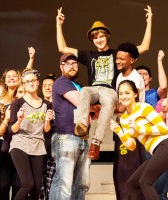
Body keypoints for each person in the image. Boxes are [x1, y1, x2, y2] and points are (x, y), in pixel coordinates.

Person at [56, 5, 152, 160]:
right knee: (85, 91)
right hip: (94, 89)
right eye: (95, 37)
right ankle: (81, 126)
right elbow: (62, 48)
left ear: (107, 36)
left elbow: (144, 47)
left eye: (101, 36)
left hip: (109, 90)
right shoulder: (88, 54)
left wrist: (149, 22)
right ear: (92, 40)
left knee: (108, 100)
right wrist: (59, 25)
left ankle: (96, 142)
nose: (99, 39)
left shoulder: (116, 54)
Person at [110, 80, 168, 200]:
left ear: (135, 94)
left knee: (145, 182)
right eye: (121, 94)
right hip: (156, 150)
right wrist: (119, 132)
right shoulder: (124, 119)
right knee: (132, 184)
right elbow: (131, 145)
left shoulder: (144, 108)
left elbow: (163, 129)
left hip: (167, 145)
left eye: (127, 93)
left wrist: (140, 128)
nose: (123, 96)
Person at [0, 46, 36, 200]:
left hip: (20, 142)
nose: (11, 78)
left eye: (14, 76)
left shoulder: (22, 94)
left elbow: (27, 74)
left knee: (18, 184)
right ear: (5, 80)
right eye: (8, 76)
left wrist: (31, 59)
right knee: (2, 184)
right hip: (3, 142)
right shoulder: (1, 92)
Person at [49, 53, 91, 200]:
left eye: (74, 63)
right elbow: (82, 102)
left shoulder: (79, 86)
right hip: (66, 137)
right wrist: (94, 106)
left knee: (82, 184)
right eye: (67, 64)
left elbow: (90, 109)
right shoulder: (61, 82)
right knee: (64, 183)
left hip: (83, 138)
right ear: (61, 67)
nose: (72, 66)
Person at [9, 69, 53, 200]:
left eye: (33, 80)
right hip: (20, 144)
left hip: (38, 145)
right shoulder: (17, 103)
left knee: (36, 188)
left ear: (38, 82)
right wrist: (19, 120)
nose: (31, 83)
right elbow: (12, 129)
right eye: (27, 81)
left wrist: (47, 121)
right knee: (27, 184)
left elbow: (46, 130)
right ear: (23, 84)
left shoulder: (47, 104)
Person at [113, 42, 147, 200]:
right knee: (120, 172)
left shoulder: (135, 78)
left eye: (121, 58)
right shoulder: (121, 76)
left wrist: (104, 109)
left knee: (130, 172)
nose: (117, 60)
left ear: (132, 60)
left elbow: (127, 106)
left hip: (133, 129)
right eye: (117, 57)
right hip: (123, 126)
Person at [39, 73, 56, 200]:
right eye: (45, 85)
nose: (47, 87)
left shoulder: (60, 106)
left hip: (54, 151)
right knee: (39, 187)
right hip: (38, 151)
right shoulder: (38, 105)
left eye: (51, 85)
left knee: (52, 186)